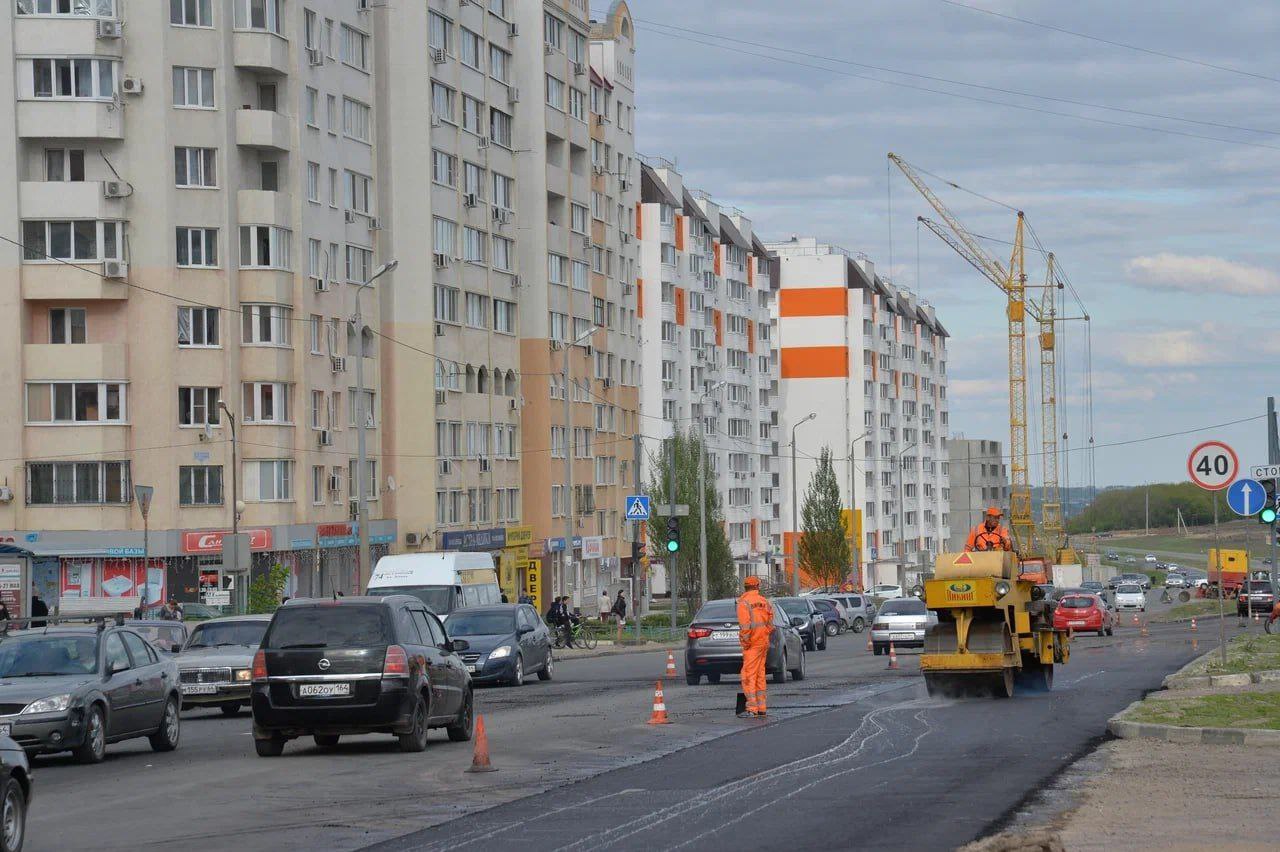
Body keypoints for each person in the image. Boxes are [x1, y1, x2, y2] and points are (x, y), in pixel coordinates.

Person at [737, 576, 774, 718]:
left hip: (752, 644)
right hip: (763, 642)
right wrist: (764, 635)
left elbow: (745, 626)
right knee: (760, 675)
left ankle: (752, 708)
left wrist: (746, 643)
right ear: (757, 586)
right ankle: (761, 707)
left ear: (745, 587)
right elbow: (771, 624)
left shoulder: (743, 602)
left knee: (748, 675)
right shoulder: (765, 602)